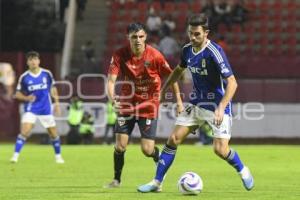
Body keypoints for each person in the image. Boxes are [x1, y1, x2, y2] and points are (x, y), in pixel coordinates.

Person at [137, 13, 254, 192]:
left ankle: (242, 169)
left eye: (197, 34)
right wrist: (163, 91)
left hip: (216, 105)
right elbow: (178, 70)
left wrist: (221, 108)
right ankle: (156, 183)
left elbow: (232, 82)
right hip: (196, 103)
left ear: (206, 33)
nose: (193, 37)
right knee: (173, 139)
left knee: (220, 150)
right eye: (190, 33)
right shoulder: (187, 49)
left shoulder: (215, 51)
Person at [104, 22, 184, 188]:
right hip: (127, 104)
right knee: (120, 146)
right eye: (134, 37)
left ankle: (157, 157)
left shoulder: (155, 56)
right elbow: (111, 81)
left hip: (149, 105)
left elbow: (173, 78)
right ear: (128, 38)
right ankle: (116, 180)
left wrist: (179, 101)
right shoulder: (120, 55)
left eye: (141, 36)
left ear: (145, 37)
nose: (138, 40)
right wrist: (113, 99)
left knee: (147, 150)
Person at [10, 51, 64, 164]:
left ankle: (58, 156)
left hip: (45, 108)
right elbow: (17, 93)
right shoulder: (24, 77)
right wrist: (26, 98)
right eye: (30, 59)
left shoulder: (47, 74)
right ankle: (15, 156)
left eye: (35, 59)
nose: (33, 61)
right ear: (27, 62)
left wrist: (57, 104)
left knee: (53, 133)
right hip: (31, 108)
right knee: (25, 131)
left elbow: (53, 89)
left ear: (39, 61)